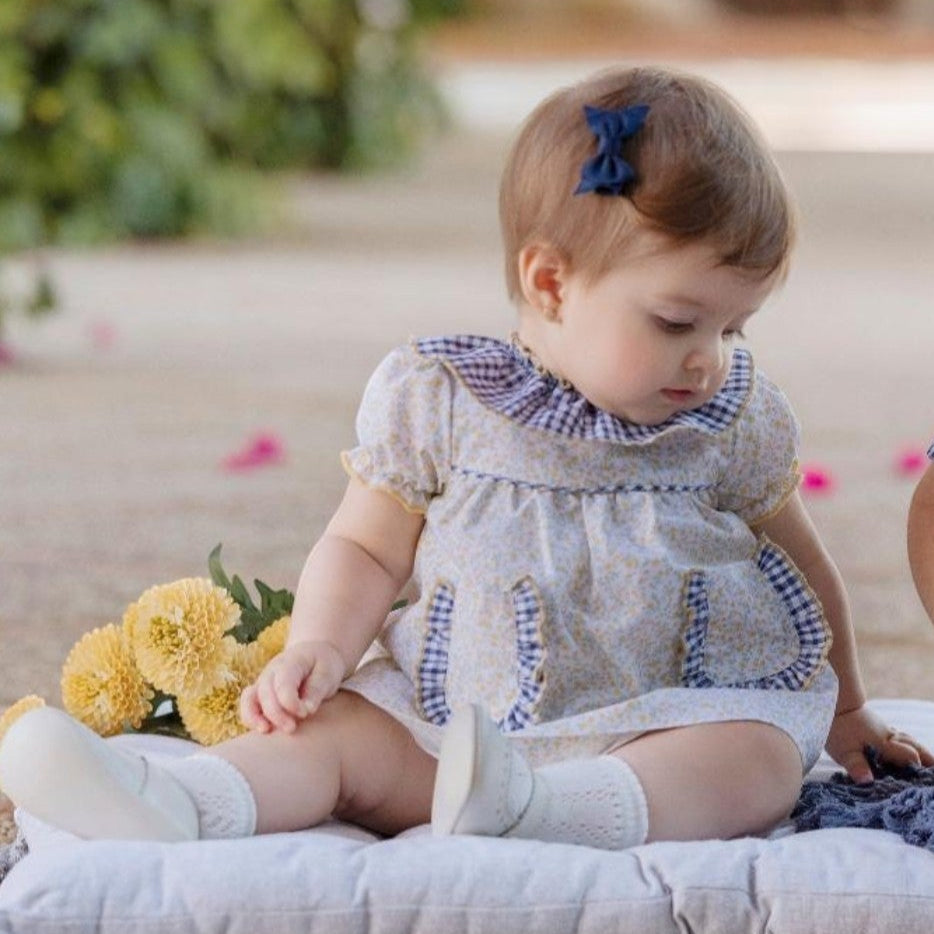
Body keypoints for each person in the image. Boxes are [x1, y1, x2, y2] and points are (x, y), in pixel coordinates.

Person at [2, 65, 931, 850]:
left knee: (761, 758)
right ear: (550, 282)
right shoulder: (442, 400)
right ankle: (178, 806)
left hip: (658, 726)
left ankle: (555, 813)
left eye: (735, 326)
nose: (710, 357)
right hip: (447, 736)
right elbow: (366, 549)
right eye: (680, 321)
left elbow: (806, 569)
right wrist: (323, 645)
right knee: (328, 736)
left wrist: (844, 709)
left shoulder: (731, 418)